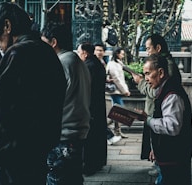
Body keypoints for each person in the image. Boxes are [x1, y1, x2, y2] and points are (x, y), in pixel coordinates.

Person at [0, 2, 66, 185]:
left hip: (12, 156)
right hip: (38, 151)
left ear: (7, 26)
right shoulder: (46, 51)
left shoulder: (17, 53)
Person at [41, 22, 91, 184]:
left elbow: (50, 100)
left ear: (53, 42)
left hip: (63, 135)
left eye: (44, 42)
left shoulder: (60, 63)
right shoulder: (77, 61)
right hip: (77, 133)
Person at [131, 33, 181, 184]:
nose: (147, 52)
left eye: (148, 48)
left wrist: (140, 83)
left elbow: (171, 126)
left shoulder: (167, 70)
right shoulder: (165, 65)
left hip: (164, 130)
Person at [143, 54, 192, 185]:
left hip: (175, 154)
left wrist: (148, 120)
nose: (146, 79)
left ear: (160, 72)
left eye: (148, 73)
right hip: (168, 153)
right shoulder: (164, 90)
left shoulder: (172, 95)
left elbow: (172, 126)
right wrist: (156, 148)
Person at [76, 42, 112, 175]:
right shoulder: (97, 63)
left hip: (90, 106)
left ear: (85, 53)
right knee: (97, 134)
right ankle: (97, 162)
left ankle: (89, 165)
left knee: (90, 137)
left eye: (79, 52)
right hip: (98, 104)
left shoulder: (88, 66)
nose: (79, 55)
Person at [106, 47, 130, 138]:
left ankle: (117, 131)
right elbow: (116, 79)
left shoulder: (118, 63)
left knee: (118, 111)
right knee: (120, 111)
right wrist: (125, 91)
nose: (123, 56)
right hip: (115, 90)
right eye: (122, 54)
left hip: (118, 90)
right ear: (117, 54)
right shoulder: (112, 64)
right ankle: (106, 125)